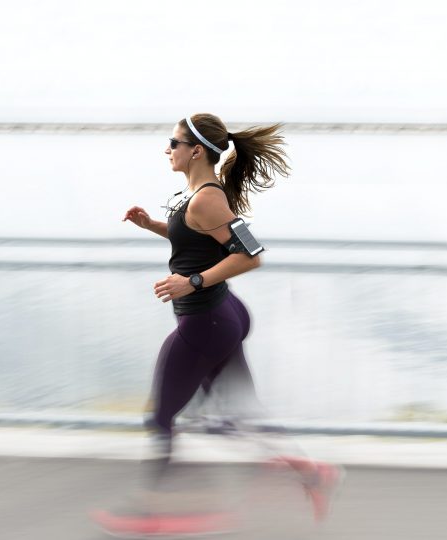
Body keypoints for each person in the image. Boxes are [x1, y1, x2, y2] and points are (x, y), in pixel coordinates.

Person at [92, 114, 340, 536]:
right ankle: (312, 473)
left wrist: (192, 282)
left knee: (162, 418)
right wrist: (152, 224)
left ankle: (153, 510)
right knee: (238, 415)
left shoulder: (208, 198)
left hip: (206, 321)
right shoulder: (198, 195)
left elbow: (251, 254)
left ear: (195, 150)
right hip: (223, 316)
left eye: (173, 142)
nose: (167, 149)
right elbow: (197, 237)